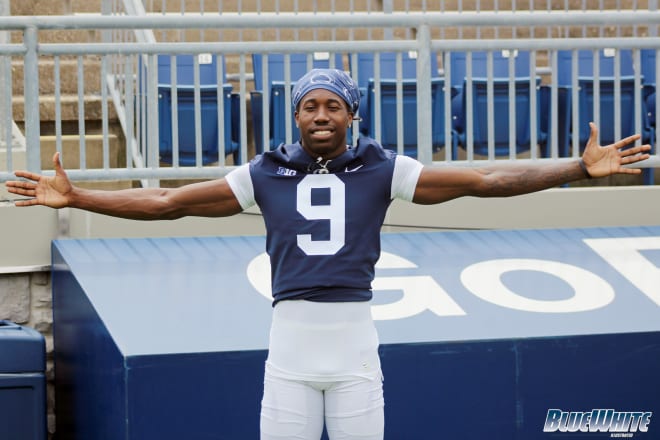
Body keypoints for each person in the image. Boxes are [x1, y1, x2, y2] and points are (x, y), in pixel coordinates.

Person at [5, 68, 651, 440]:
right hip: (288, 351)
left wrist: (576, 168)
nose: (320, 114)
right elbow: (169, 201)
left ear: (353, 116)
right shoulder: (264, 173)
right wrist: (79, 195)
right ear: (295, 116)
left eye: (333, 105)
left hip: (354, 347)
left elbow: (486, 184)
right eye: (309, 105)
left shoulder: (382, 169)